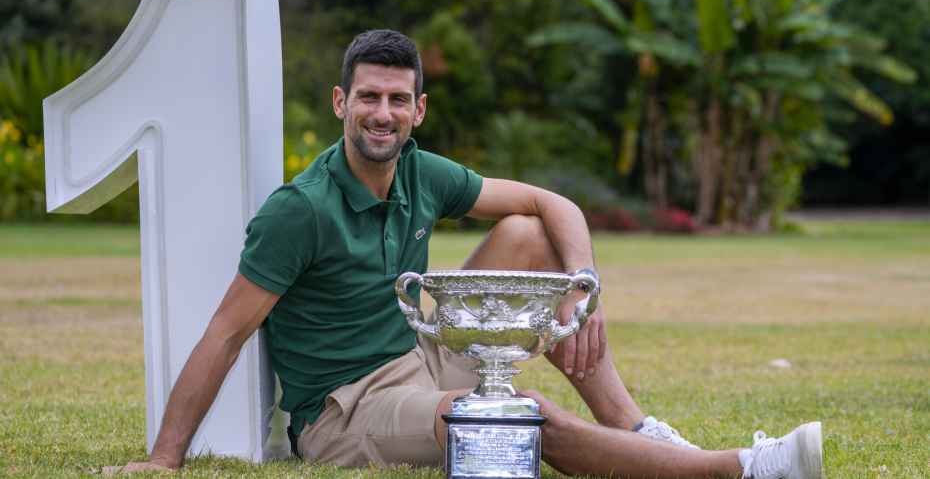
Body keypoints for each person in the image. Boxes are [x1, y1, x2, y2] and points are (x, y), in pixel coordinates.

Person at [103, 30, 822, 479]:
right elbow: (225, 332)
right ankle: (738, 469)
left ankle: (637, 430)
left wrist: (581, 288)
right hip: (347, 408)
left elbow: (552, 205)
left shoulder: (419, 167)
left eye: (397, 99)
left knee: (531, 239)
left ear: (419, 109)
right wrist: (166, 458)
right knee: (514, 417)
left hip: (421, 353)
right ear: (339, 102)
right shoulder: (302, 209)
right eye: (367, 97)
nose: (381, 113)